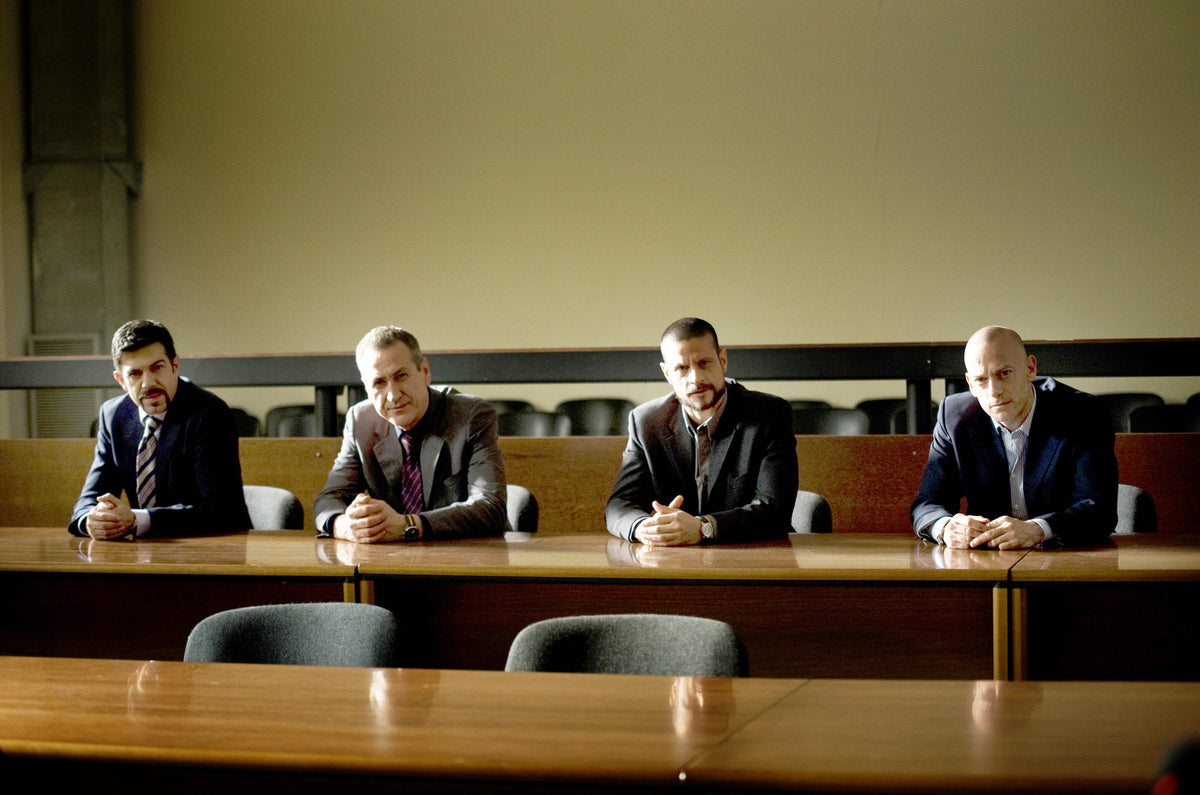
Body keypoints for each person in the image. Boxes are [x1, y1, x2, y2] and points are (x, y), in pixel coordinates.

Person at [911, 325, 1118, 550]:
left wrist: (1037, 530)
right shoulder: (955, 418)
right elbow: (927, 505)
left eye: (1004, 373)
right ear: (970, 384)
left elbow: (1100, 510)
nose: (994, 391)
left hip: (1064, 558)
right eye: (981, 380)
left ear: (1030, 368)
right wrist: (945, 527)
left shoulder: (1084, 414)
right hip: (986, 560)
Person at [606, 317, 797, 545]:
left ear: (722, 361)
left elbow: (776, 509)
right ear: (667, 373)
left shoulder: (769, 414)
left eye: (704, 363)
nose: (695, 379)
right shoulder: (646, 422)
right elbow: (619, 505)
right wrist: (643, 528)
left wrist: (704, 527)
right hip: (674, 559)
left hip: (753, 553)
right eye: (682, 368)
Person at [314, 326, 507, 542]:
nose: (393, 396)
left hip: (465, 554)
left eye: (401, 376)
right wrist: (343, 526)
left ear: (425, 372)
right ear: (366, 388)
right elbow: (329, 498)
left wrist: (409, 525)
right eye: (379, 383)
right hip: (391, 558)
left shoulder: (470, 416)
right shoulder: (360, 421)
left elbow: (491, 507)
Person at [69, 319, 251, 538]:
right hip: (144, 552)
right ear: (121, 381)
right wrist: (91, 520)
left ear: (175, 365)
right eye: (135, 374)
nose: (148, 383)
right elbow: (90, 497)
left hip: (213, 547)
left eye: (157, 368)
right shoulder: (113, 416)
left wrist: (136, 520)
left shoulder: (209, 413)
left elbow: (218, 511)